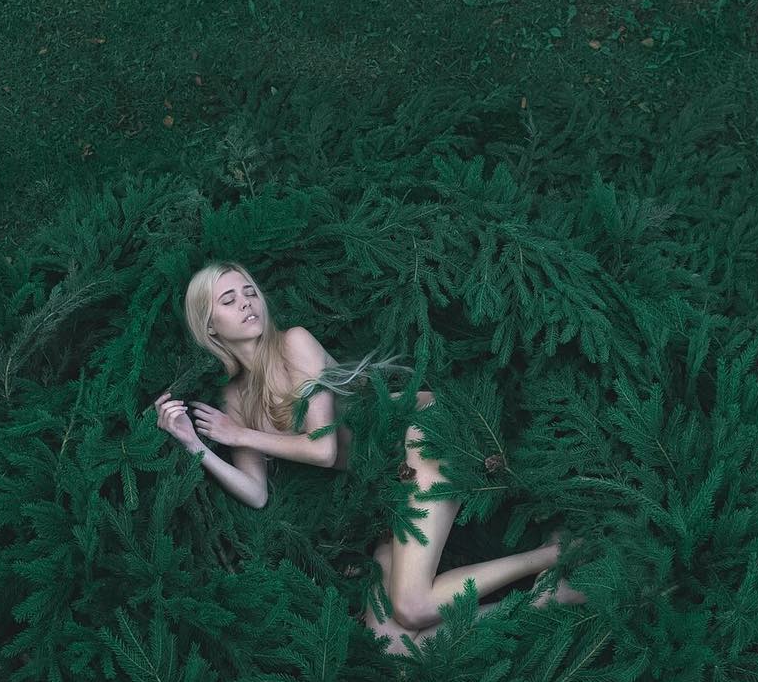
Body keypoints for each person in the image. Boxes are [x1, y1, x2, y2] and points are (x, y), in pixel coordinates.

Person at [152, 260, 587, 657]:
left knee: (413, 606)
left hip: (426, 430)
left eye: (250, 292)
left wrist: (240, 435)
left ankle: (552, 554)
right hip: (390, 484)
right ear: (210, 327)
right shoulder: (234, 399)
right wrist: (195, 445)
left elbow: (323, 449)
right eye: (229, 300)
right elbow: (256, 493)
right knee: (392, 646)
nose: (247, 303)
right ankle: (548, 600)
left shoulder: (293, 344)